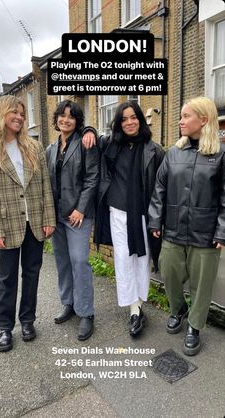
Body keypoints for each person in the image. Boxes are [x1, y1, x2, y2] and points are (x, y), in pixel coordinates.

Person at [148, 96, 225, 355]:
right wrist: (155, 219)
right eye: (180, 116)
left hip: (205, 235)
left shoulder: (220, 154)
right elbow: (159, 188)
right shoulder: (173, 152)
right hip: (173, 231)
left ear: (204, 119)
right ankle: (179, 308)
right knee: (168, 273)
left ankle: (194, 325)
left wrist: (222, 231)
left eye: (186, 116)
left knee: (202, 285)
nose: (180, 121)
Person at [85, 101, 164, 337]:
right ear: (118, 123)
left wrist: (158, 220)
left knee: (142, 259)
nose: (129, 122)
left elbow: (161, 188)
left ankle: (137, 307)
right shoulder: (110, 144)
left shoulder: (154, 150)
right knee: (122, 260)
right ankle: (133, 310)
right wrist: (88, 130)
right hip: (117, 212)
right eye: (124, 119)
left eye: (133, 117)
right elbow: (87, 134)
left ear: (140, 119)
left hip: (143, 214)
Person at [0, 95, 56, 352]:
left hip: (34, 223)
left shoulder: (33, 147)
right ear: (1, 115)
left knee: (32, 274)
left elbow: (44, 187)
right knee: (7, 279)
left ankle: (27, 320)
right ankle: (4, 327)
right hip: (7, 226)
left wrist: (49, 219)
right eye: (14, 113)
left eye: (22, 113)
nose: (19, 117)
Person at [46, 99, 99, 341]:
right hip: (56, 217)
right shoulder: (50, 149)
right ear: (56, 119)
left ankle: (86, 312)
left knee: (79, 261)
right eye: (62, 115)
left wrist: (80, 209)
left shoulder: (86, 143)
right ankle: (68, 304)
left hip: (78, 216)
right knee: (63, 262)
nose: (65, 119)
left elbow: (92, 178)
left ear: (78, 121)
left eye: (71, 116)